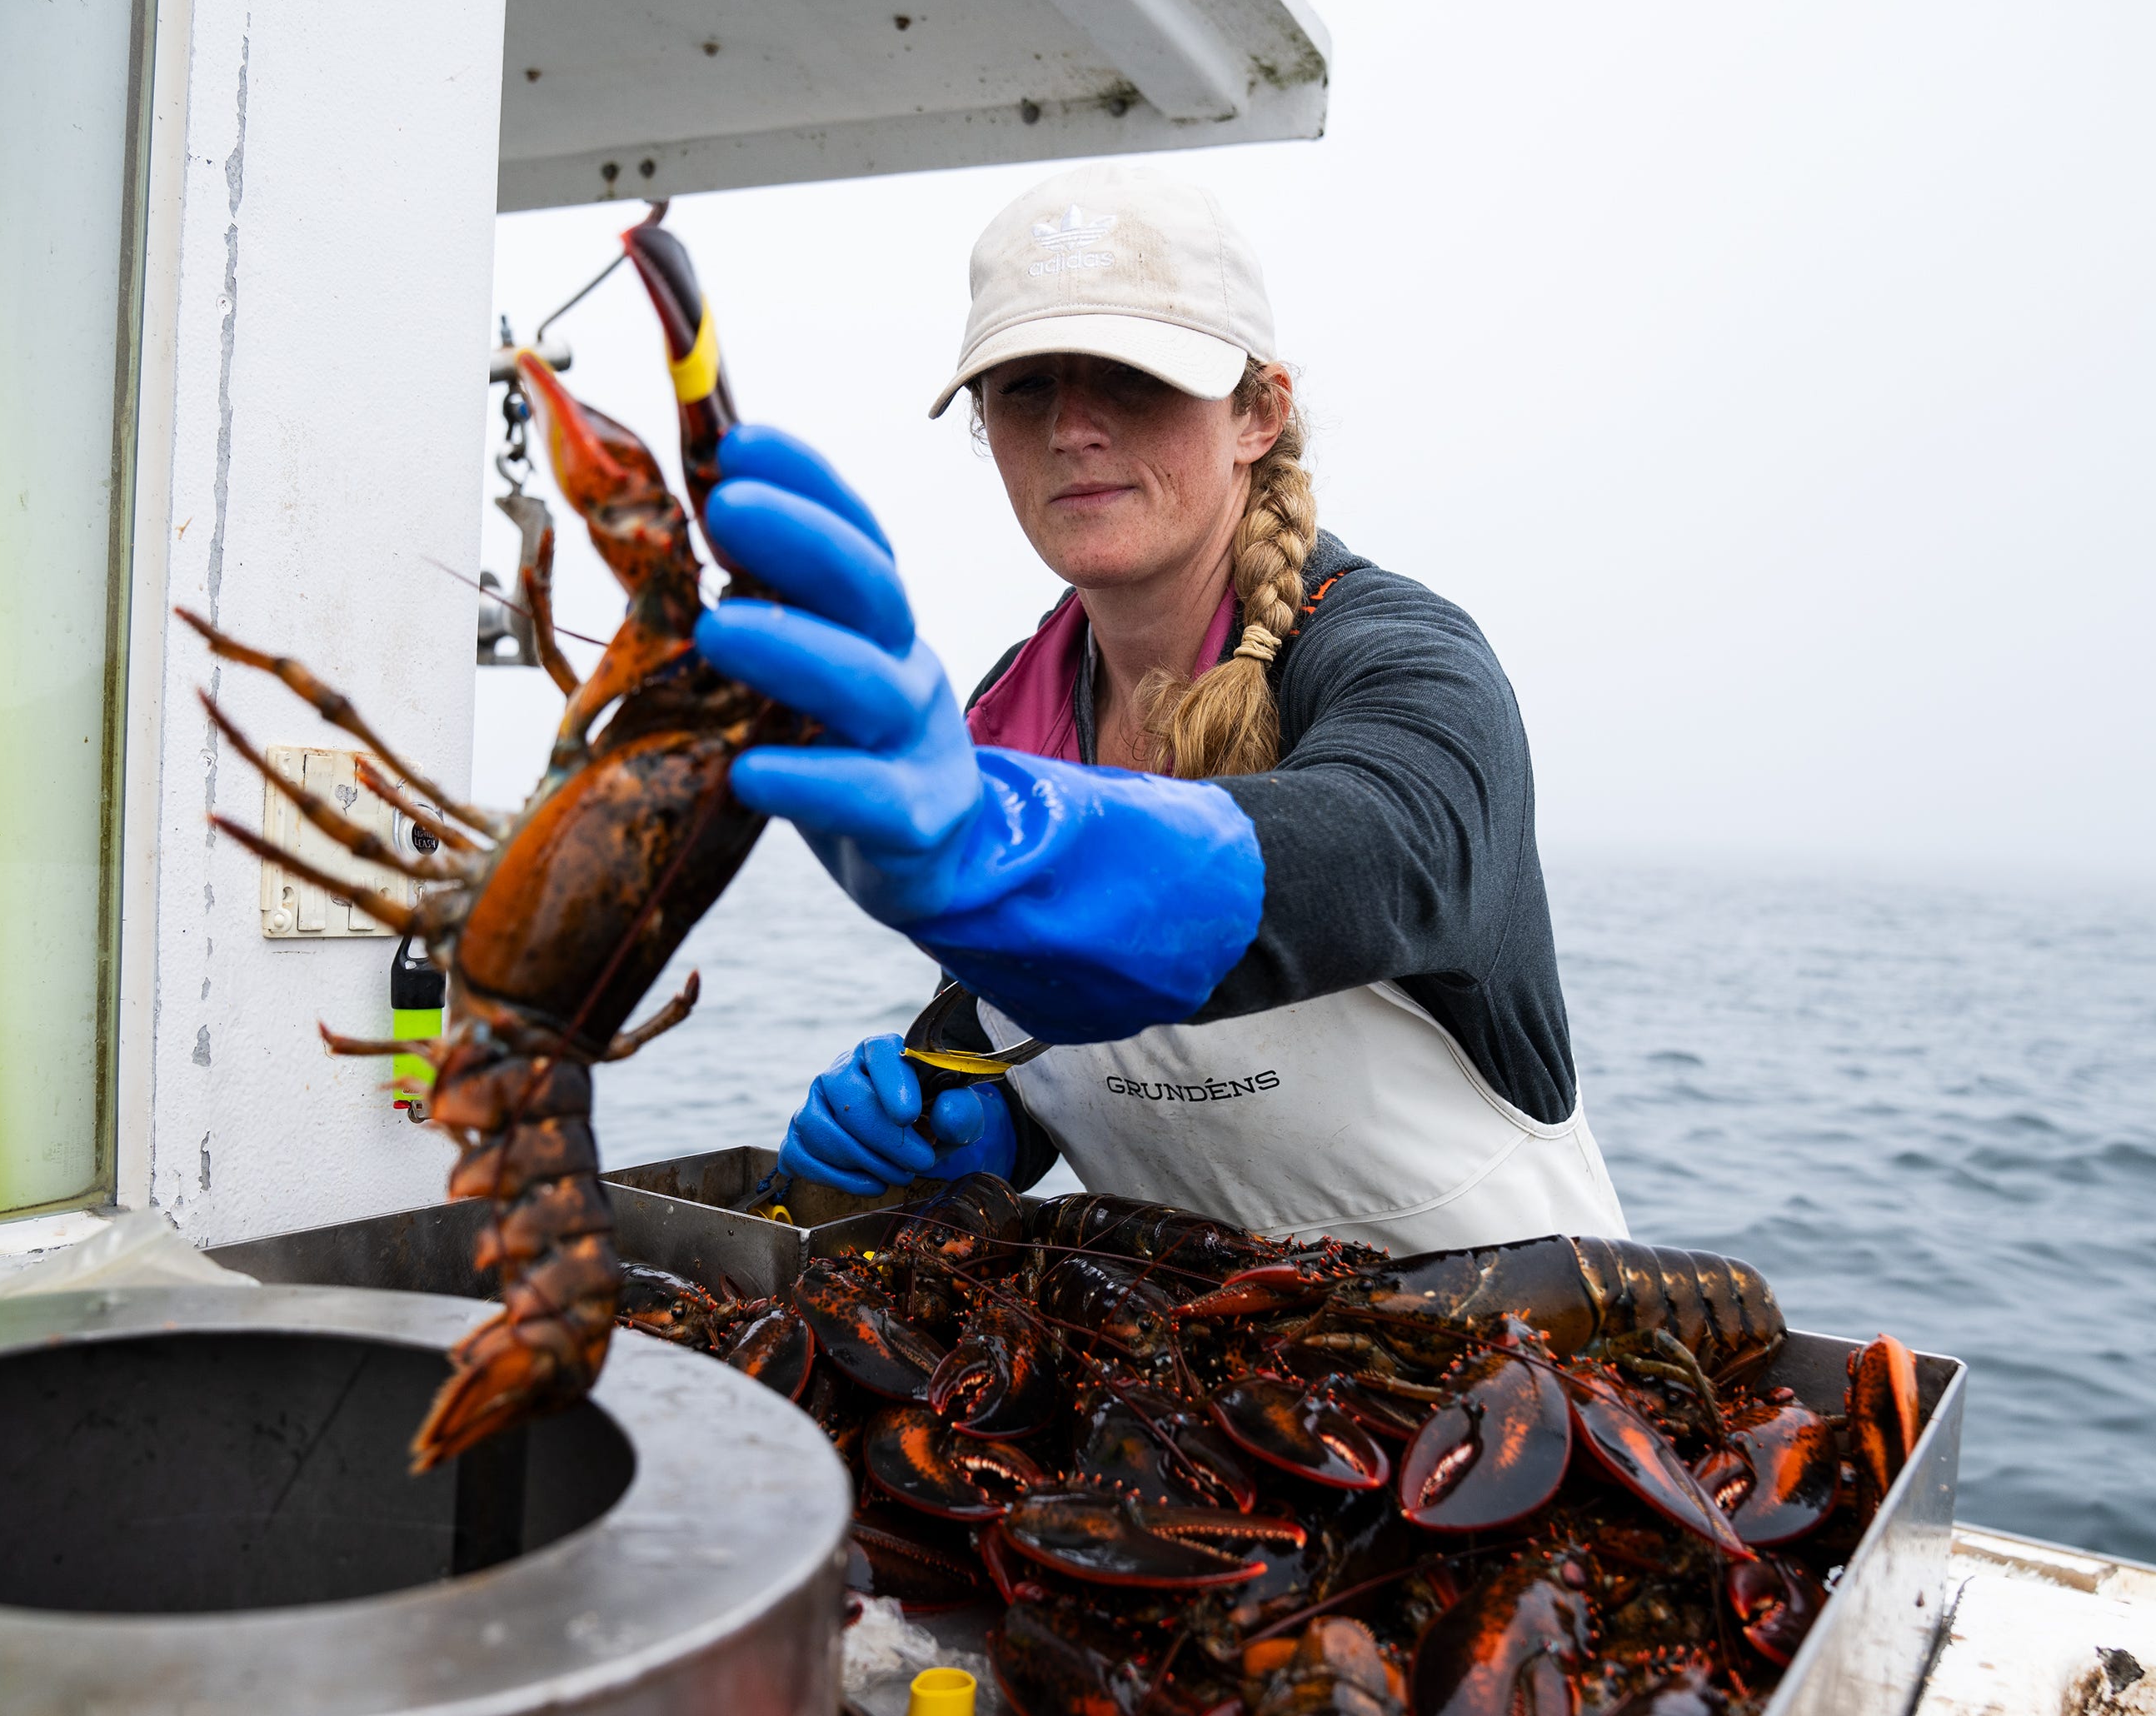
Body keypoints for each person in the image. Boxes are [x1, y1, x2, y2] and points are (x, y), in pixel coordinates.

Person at [690, 163, 1626, 1255]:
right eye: (1026, 386)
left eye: (1132, 377)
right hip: (1188, 1374)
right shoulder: (1004, 715)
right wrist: (977, 1121)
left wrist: (1014, 846)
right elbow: (1038, 1047)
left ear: (1258, 414)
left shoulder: (1405, 662)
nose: (1073, 427)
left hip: (1531, 1364)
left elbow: (1386, 840)